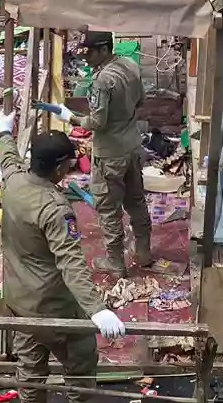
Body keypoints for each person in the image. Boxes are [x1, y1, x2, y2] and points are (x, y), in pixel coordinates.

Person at [0, 107, 127, 403]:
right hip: (50, 302)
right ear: (58, 168)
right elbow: (71, 263)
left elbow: (8, 160)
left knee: (30, 359)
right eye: (68, 164)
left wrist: (4, 133)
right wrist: (97, 310)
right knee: (81, 357)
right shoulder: (55, 209)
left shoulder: (13, 182)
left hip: (19, 297)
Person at [47, 31, 150, 273]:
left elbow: (98, 122)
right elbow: (140, 101)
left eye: (89, 53)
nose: (85, 58)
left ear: (104, 50)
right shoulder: (129, 65)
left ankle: (115, 261)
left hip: (110, 153)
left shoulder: (102, 80)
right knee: (136, 200)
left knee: (108, 208)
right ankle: (144, 250)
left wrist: (72, 118)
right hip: (133, 145)